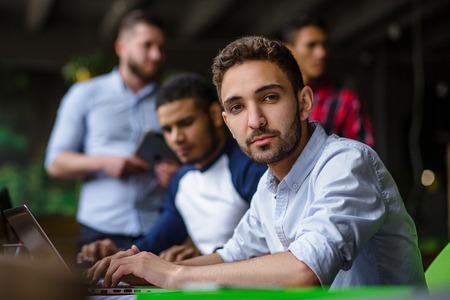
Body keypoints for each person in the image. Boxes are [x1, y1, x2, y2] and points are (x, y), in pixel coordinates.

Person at [83, 36, 425, 289]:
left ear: (304, 103)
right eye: (237, 107)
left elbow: (304, 271)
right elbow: (229, 257)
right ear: (226, 121)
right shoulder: (269, 186)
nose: (255, 120)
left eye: (270, 98)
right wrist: (142, 270)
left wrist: (174, 274)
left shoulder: (347, 163)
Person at [76, 72, 267, 264]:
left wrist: (202, 261)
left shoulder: (251, 166)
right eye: (167, 129)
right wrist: (116, 254)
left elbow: (268, 244)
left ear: (216, 116)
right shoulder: (180, 180)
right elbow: (155, 242)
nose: (176, 138)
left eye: (186, 123)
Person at [45, 10, 178, 250]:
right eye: (147, 45)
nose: (157, 55)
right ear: (121, 47)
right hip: (98, 232)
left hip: (160, 232)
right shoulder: (84, 94)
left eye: (161, 47)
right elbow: (55, 163)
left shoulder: (171, 100)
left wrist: (178, 172)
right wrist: (105, 163)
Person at [278, 14, 375, 148]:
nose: (321, 53)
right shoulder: (277, 98)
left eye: (325, 45)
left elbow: (363, 158)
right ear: (289, 50)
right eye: (311, 45)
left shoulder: (346, 101)